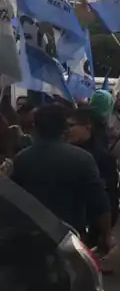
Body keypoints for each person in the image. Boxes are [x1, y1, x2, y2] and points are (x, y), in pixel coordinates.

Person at [11, 103, 112, 252]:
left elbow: (13, 201)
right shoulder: (83, 159)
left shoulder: (21, 159)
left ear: (35, 127)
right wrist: (106, 235)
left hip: (30, 240)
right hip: (70, 239)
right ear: (64, 127)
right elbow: (100, 203)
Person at [65, 107, 120, 269]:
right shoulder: (65, 153)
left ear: (87, 127)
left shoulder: (103, 158)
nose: (67, 130)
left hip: (89, 226)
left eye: (72, 125)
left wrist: (106, 231)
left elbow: (110, 194)